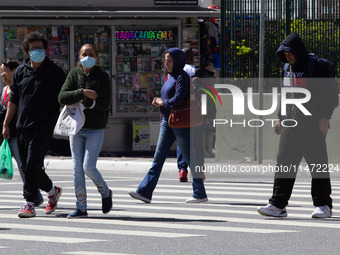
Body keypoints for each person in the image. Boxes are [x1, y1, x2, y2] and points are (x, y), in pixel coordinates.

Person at [257, 33, 336, 218]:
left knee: (318, 166)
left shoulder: (317, 66)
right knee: (284, 165)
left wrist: (324, 118)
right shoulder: (287, 69)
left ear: (298, 50)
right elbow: (286, 95)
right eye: (284, 54)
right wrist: (280, 118)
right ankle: (277, 205)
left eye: (290, 53)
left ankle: (324, 205)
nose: (288, 57)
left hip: (312, 126)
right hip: (290, 126)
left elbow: (330, 95)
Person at [129, 48, 208, 203]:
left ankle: (200, 193)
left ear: (177, 61)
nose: (166, 63)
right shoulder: (170, 76)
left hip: (179, 121)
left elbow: (178, 99)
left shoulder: (182, 77)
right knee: (158, 158)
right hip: (168, 121)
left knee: (190, 158)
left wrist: (162, 102)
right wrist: (160, 102)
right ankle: (145, 191)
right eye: (165, 60)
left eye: (169, 60)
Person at [3, 31, 65, 218]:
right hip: (22, 126)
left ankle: (29, 202)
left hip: (44, 127)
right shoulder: (21, 71)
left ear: (46, 49)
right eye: (33, 49)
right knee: (28, 167)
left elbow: (64, 97)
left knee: (31, 164)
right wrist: (6, 124)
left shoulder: (55, 72)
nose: (37, 51)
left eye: (40, 48)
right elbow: (13, 99)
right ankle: (52, 191)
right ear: (27, 52)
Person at [58, 44, 112, 219]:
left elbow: (105, 104)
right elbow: (62, 96)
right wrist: (82, 93)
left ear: (96, 57)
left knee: (88, 166)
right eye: (84, 54)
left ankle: (105, 191)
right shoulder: (74, 74)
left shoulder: (103, 77)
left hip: (95, 129)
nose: (87, 57)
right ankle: (81, 207)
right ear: (78, 57)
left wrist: (90, 103)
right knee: (76, 169)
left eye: (90, 54)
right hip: (76, 127)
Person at [0, 60, 44, 206]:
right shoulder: (5, 90)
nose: (2, 74)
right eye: (1, 71)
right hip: (6, 134)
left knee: (24, 166)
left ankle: (34, 195)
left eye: (5, 70)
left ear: (15, 71)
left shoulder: (19, 89)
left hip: (17, 134)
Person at [177, 48, 195, 182]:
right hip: (194, 110)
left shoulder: (176, 72)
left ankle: (182, 169)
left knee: (181, 141)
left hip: (179, 111)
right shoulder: (195, 71)